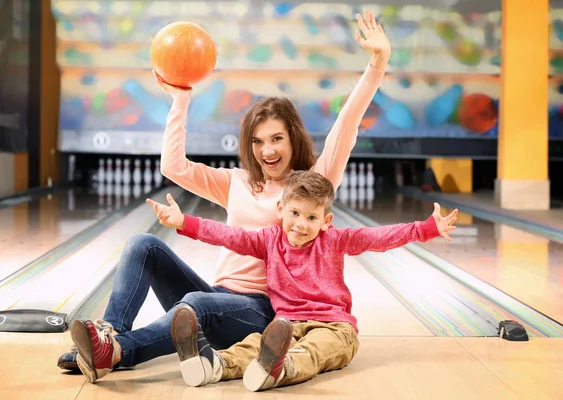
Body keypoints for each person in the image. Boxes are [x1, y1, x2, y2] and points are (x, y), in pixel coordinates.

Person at [60, 10, 392, 384]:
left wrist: (377, 63)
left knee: (197, 305)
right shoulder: (236, 181)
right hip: (216, 296)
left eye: (276, 139)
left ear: (293, 138)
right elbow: (174, 168)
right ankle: (110, 337)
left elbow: (347, 123)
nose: (267, 150)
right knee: (144, 245)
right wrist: (181, 100)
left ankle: (120, 352)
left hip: (261, 311)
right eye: (257, 140)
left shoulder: (311, 183)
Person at [146, 170, 459, 391]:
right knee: (253, 345)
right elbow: (230, 236)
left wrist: (425, 229)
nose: (301, 224)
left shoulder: (335, 240)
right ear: (281, 210)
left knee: (314, 350)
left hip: (334, 327)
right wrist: (185, 221)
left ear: (326, 221)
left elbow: (377, 237)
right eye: (295, 213)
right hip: (285, 327)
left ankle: (280, 371)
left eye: (312, 218)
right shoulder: (270, 240)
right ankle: (211, 366)